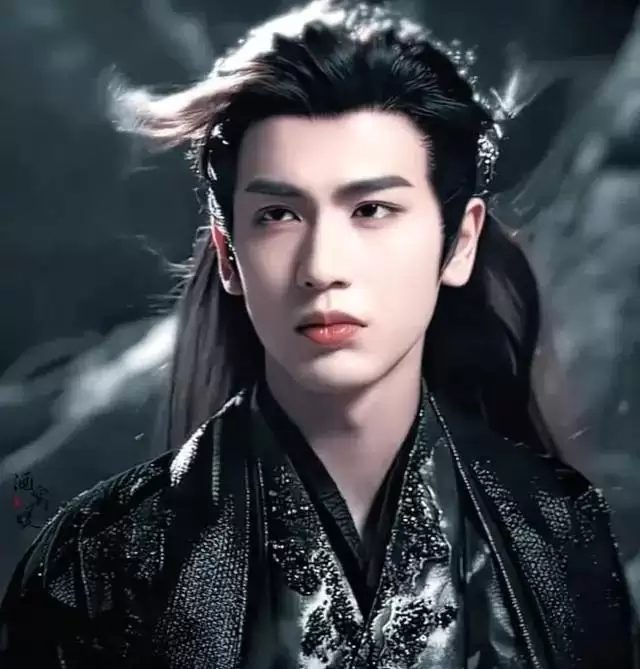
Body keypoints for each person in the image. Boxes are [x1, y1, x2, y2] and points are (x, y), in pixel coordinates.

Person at [0, 1, 637, 667]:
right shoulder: (96, 565)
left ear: (460, 243)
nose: (323, 266)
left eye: (372, 209)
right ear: (228, 255)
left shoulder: (556, 536)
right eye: (279, 215)